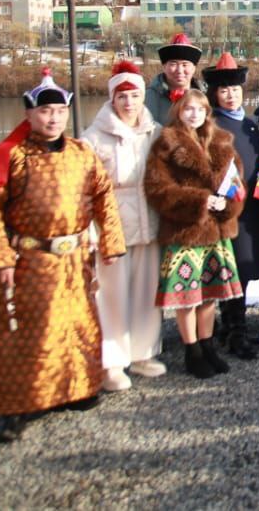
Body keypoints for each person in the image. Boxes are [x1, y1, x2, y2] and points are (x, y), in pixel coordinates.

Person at [0, 70, 125, 443]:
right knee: (29, 335)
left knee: (77, 329)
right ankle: (20, 405)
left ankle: (74, 389)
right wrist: (0, 259)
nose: (53, 118)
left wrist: (111, 242)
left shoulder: (81, 153)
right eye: (45, 112)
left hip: (75, 258)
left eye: (59, 111)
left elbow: (103, 197)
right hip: (30, 259)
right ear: (29, 115)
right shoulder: (11, 156)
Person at [144, 89, 245, 378]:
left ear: (206, 113)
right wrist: (200, 200)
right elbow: (158, 189)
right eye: (188, 109)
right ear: (178, 110)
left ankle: (207, 343)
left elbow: (236, 183)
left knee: (210, 295)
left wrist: (228, 204)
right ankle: (192, 351)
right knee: (187, 296)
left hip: (216, 230)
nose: (193, 115)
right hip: (185, 230)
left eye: (199, 110)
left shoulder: (223, 142)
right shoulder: (165, 144)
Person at [81, 59, 165, 391]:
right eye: (122, 97)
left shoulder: (154, 131)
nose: (129, 103)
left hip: (149, 218)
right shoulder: (93, 138)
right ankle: (112, 362)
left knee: (146, 291)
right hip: (112, 221)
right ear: (113, 99)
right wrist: (90, 228)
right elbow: (85, 189)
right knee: (112, 294)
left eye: (134, 96)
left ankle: (144, 351)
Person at [202, 52, 259, 360]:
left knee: (250, 264)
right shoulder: (210, 125)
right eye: (224, 90)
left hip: (253, 206)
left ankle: (238, 325)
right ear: (215, 93)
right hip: (228, 209)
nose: (231, 95)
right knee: (233, 269)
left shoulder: (250, 124)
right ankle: (233, 329)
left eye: (236, 89)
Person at [144, 33, 204, 123]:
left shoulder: (204, 95)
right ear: (164, 67)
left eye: (185, 64)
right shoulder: (149, 97)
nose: (179, 70)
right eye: (173, 64)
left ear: (194, 68)